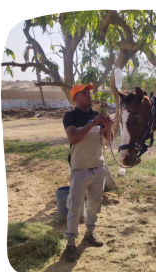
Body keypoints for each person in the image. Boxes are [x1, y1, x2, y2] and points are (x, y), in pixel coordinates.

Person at [63, 83, 114, 262]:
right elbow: (74, 137)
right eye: (84, 93)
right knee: (75, 207)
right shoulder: (70, 116)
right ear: (75, 98)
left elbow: (109, 139)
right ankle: (70, 243)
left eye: (89, 92)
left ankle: (90, 233)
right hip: (79, 170)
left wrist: (108, 126)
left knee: (94, 205)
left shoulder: (96, 115)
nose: (88, 95)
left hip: (98, 169)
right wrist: (93, 122)